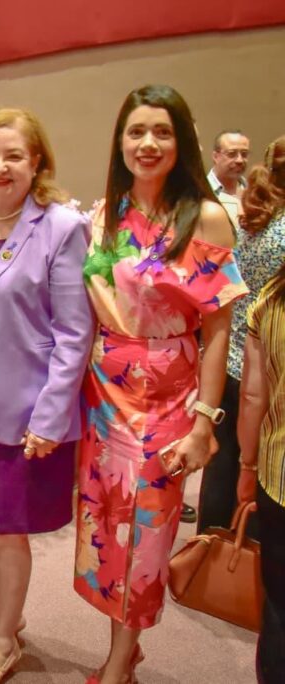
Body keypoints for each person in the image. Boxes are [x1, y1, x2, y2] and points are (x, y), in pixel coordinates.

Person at [74, 84, 248, 684]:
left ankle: (120, 663)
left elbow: (220, 329)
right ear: (120, 140)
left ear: (183, 142)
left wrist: (206, 421)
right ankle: (124, 647)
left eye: (162, 132)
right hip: (105, 396)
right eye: (136, 132)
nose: (148, 144)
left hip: (171, 395)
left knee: (147, 534)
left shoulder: (203, 218)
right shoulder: (104, 215)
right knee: (106, 527)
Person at [0, 108, 93, 683]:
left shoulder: (59, 226)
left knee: (7, 529)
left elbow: (74, 334)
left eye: (12, 156)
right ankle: (5, 616)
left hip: (27, 408)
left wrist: (51, 417)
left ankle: (3, 640)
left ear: (36, 163)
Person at [199, 135, 285, 534]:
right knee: (260, 468)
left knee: (222, 464)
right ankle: (244, 562)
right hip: (267, 365)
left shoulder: (257, 213)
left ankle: (208, 549)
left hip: (233, 355)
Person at [237, 259, 285, 684]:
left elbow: (253, 395)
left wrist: (246, 466)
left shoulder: (271, 298)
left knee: (279, 603)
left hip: (277, 473)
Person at [206, 129, 251, 230]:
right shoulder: (200, 191)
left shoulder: (253, 192)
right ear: (215, 156)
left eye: (244, 154)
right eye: (232, 154)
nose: (239, 160)